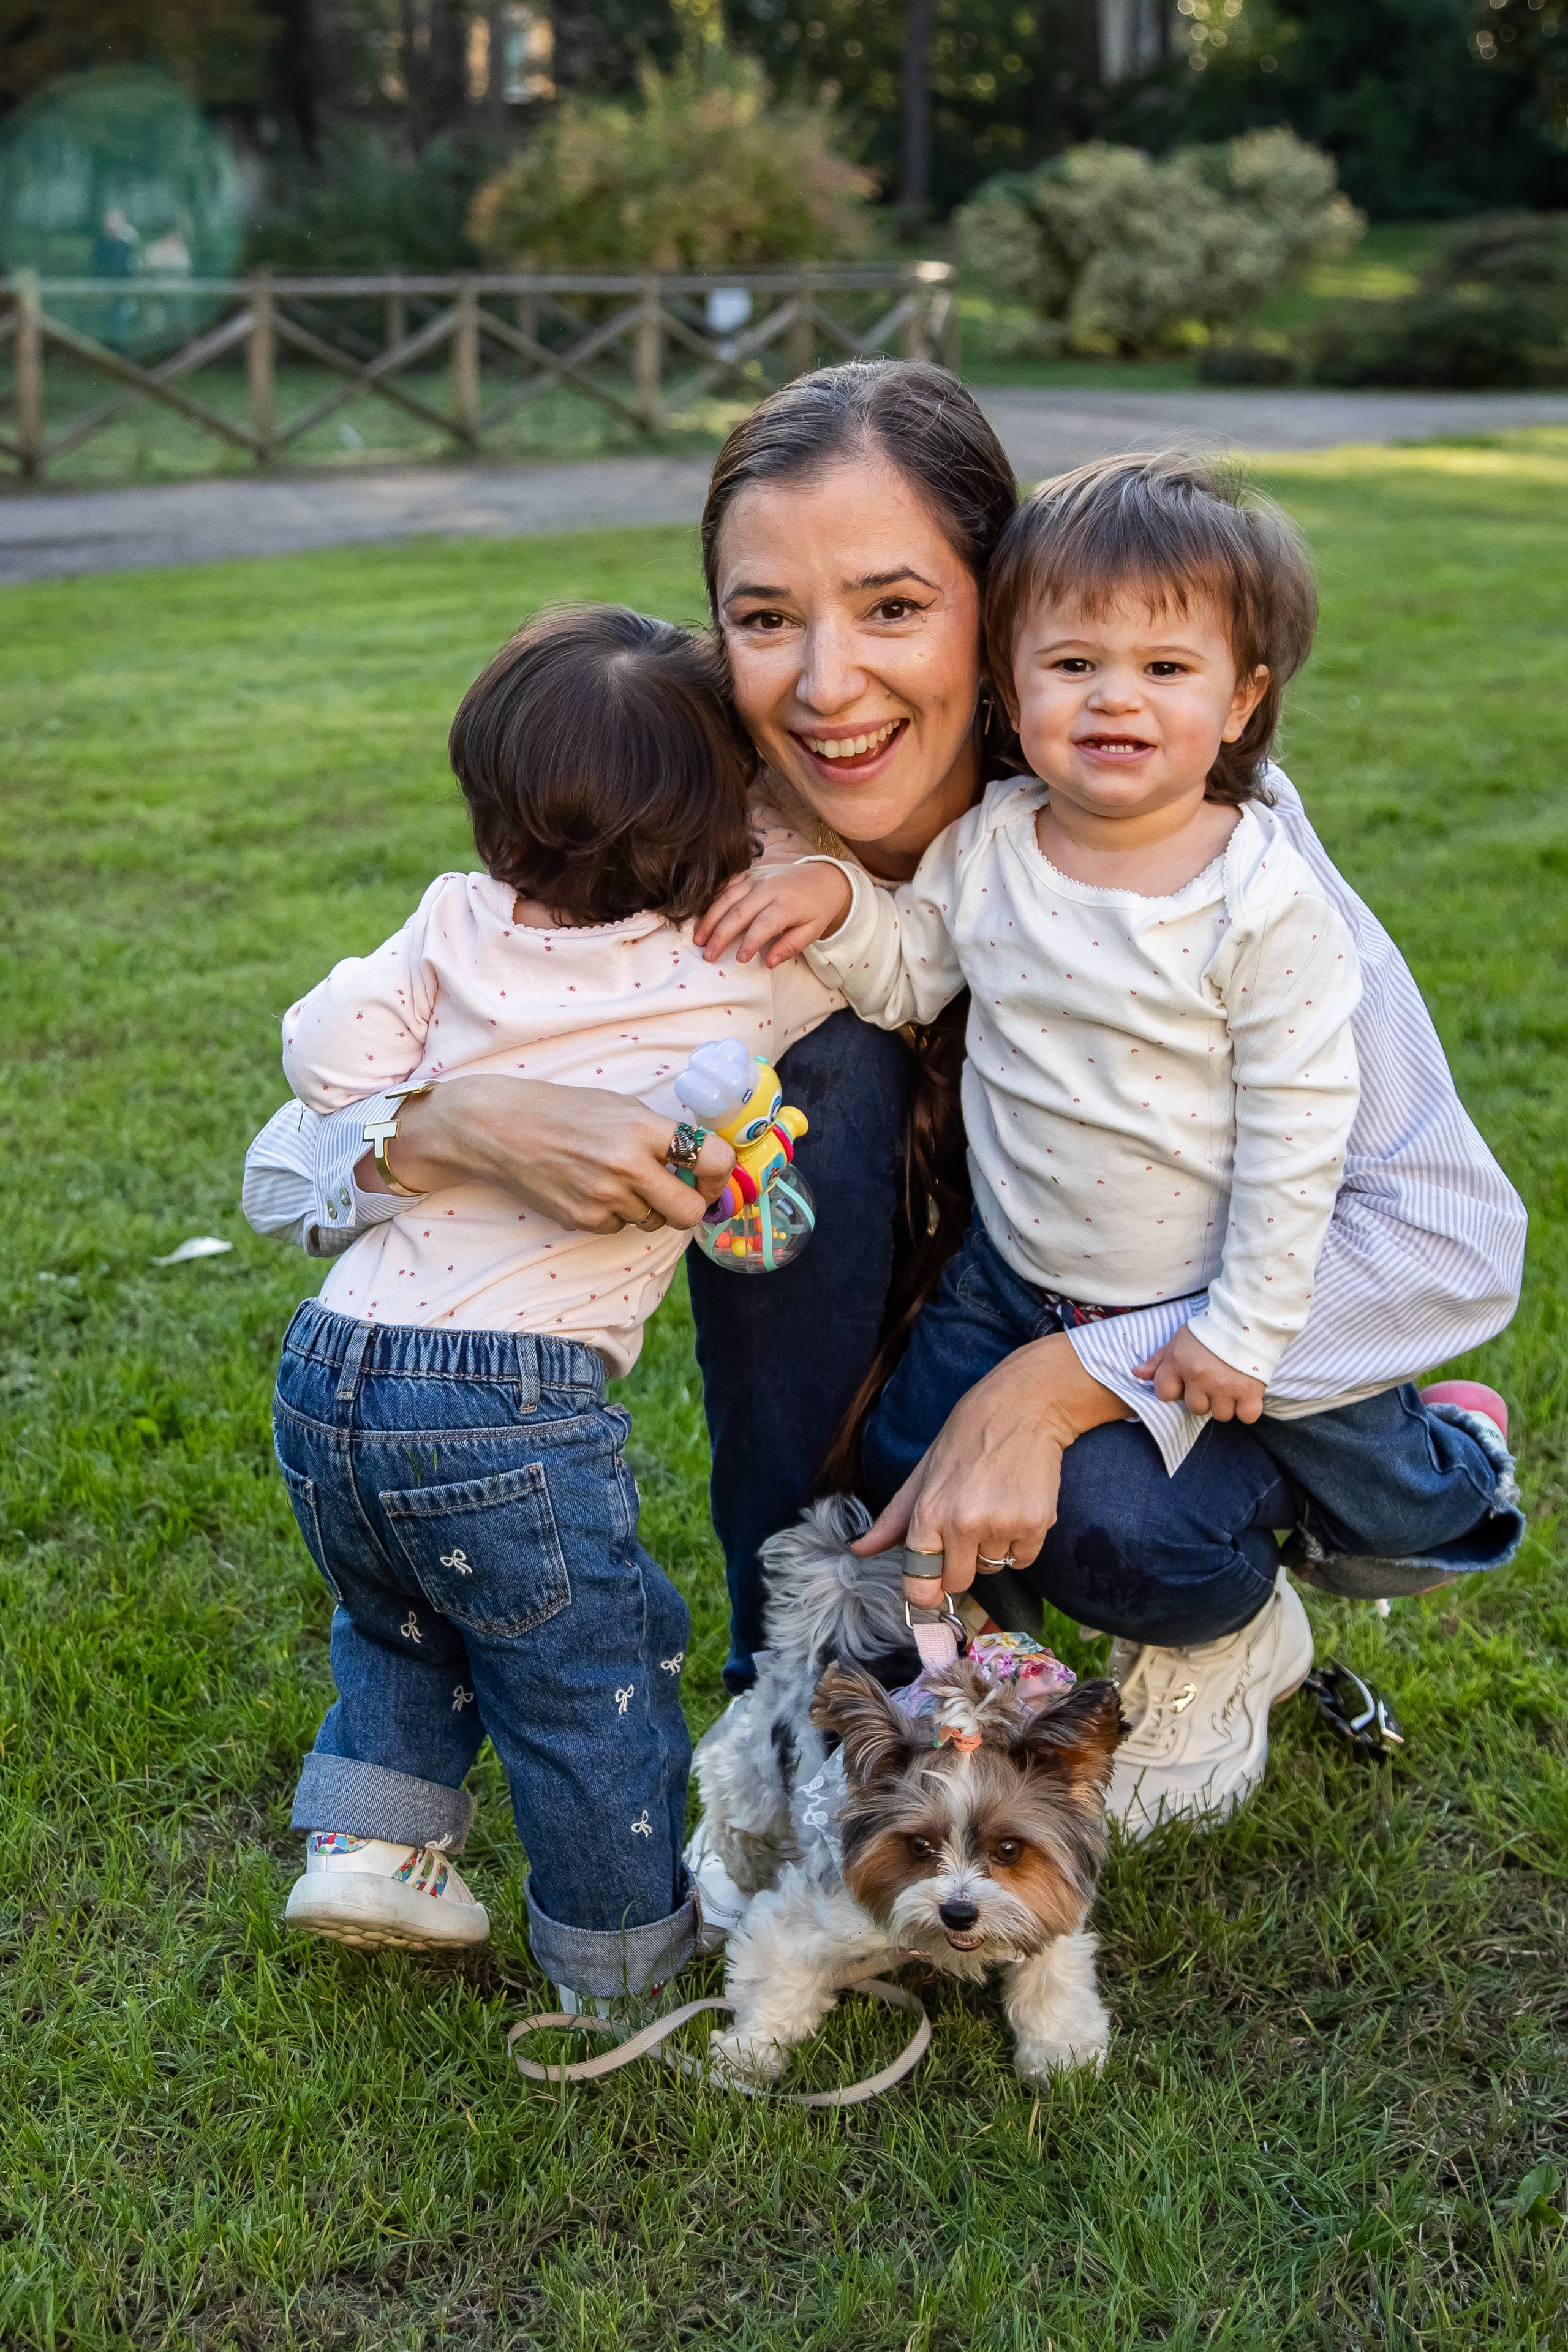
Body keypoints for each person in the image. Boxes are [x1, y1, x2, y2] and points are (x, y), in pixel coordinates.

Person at [245, 360, 1526, 1842]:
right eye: (765, 618)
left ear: (1002, 612)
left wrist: (1060, 1387)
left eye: (893, 607)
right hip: (947, 1336)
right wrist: (440, 1127)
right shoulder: (694, 839)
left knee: (1136, 1527)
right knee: (807, 1081)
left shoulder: (1192, 853)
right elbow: (288, 1174)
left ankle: (1224, 1631)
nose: (825, 685)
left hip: (1156, 1335)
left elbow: (1446, 1244)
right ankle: (797, 1667)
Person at [266, 606, 838, 1998]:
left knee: (401, 1615)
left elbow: (324, 1053)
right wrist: (813, 880)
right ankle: (621, 1954)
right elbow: (905, 961)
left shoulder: (451, 921)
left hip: (330, 1366)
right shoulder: (737, 973)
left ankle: (370, 1849)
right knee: (591, 1674)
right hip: (505, 1403)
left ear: (494, 814)